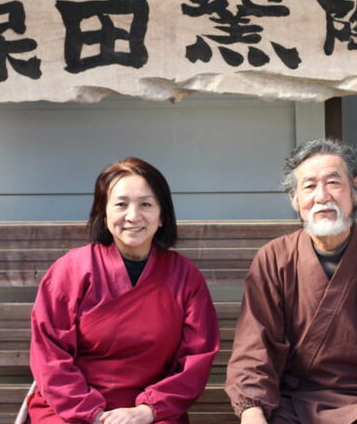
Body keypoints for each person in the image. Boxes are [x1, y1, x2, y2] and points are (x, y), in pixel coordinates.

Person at [225, 139, 357, 424]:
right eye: (309, 186)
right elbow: (254, 350)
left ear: (356, 189)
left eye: (333, 183)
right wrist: (252, 412)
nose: (322, 196)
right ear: (294, 199)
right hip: (293, 408)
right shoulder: (274, 259)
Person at [27, 157, 220, 424]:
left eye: (146, 204)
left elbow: (195, 359)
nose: (133, 216)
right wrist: (94, 414)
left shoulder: (185, 276)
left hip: (153, 413)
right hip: (70, 409)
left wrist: (148, 410)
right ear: (103, 214)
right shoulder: (70, 270)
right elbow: (50, 356)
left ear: (162, 215)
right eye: (121, 204)